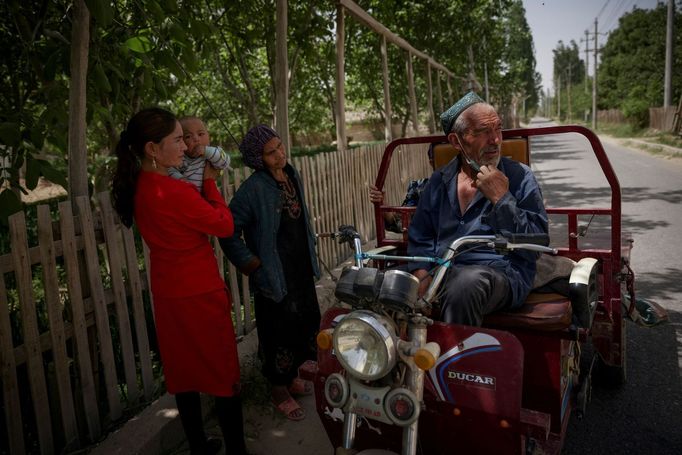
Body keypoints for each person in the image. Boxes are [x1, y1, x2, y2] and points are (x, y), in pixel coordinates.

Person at [111, 108, 247, 455]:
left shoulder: (142, 187)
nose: (185, 147)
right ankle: (237, 451)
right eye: (176, 140)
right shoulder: (174, 193)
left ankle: (199, 446)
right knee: (222, 372)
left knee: (184, 373)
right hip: (198, 291)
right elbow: (224, 224)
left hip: (168, 291)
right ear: (152, 149)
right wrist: (211, 182)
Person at [407, 92, 548, 326]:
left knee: (465, 283)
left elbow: (535, 246)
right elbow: (421, 236)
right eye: (483, 131)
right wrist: (421, 273)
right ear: (456, 141)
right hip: (442, 273)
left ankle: (458, 362)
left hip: (501, 274)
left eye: (498, 129)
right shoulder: (438, 181)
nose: (495, 140)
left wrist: (501, 198)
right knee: (379, 283)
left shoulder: (520, 177)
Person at [219, 125, 321, 422]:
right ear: (257, 158)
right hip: (274, 273)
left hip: (299, 267)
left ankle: (290, 379)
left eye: (279, 146)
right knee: (278, 331)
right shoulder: (252, 190)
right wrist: (251, 263)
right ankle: (278, 389)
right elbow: (228, 231)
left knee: (303, 323)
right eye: (271, 152)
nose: (279, 154)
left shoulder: (290, 173)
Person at [368, 142, 441, 233]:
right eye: (444, 158)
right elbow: (401, 223)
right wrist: (382, 202)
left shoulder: (463, 188)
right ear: (432, 162)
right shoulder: (418, 188)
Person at [168, 116, 230, 192]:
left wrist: (207, 151)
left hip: (207, 194)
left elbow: (225, 162)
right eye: (188, 136)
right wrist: (180, 178)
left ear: (208, 136)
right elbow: (170, 170)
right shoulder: (182, 158)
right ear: (181, 141)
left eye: (200, 134)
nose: (196, 139)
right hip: (188, 194)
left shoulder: (212, 154)